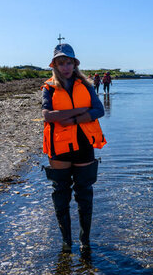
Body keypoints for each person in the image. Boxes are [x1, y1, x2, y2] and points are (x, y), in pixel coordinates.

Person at [41, 44, 106, 253]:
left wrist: (72, 119)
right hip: (59, 147)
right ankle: (66, 241)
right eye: (61, 63)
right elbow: (48, 116)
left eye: (69, 62)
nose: (66, 67)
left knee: (84, 192)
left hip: (84, 144)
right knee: (61, 193)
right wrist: (81, 110)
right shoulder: (49, 87)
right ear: (55, 66)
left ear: (75, 64)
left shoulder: (85, 85)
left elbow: (99, 110)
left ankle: (84, 240)